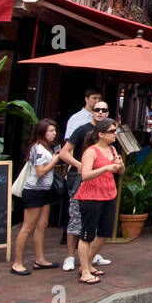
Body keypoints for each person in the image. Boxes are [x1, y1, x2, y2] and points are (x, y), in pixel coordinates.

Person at [59, 101, 113, 271]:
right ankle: (69, 256)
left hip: (103, 185)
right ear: (91, 112)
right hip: (80, 181)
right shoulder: (82, 130)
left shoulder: (109, 136)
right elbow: (64, 152)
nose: (101, 112)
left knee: (96, 223)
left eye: (104, 110)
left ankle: (89, 259)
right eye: (97, 109)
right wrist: (79, 165)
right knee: (75, 218)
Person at [74, 119, 124, 285]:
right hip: (91, 196)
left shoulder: (112, 149)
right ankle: (85, 271)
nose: (114, 134)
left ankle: (87, 263)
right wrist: (106, 168)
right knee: (87, 234)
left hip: (108, 194)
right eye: (111, 131)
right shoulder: (91, 151)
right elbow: (85, 175)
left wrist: (120, 166)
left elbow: (119, 171)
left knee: (104, 233)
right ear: (101, 134)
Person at [11, 119, 63, 274]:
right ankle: (17, 263)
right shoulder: (38, 148)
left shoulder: (45, 147)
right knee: (28, 227)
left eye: (55, 131)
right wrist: (55, 160)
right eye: (50, 131)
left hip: (44, 191)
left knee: (42, 224)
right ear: (42, 132)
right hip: (35, 191)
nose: (54, 134)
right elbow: (40, 172)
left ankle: (40, 259)